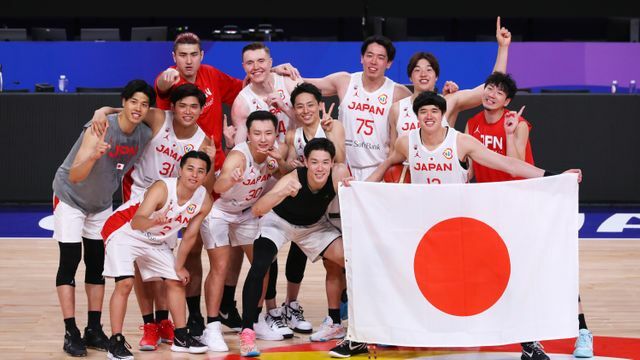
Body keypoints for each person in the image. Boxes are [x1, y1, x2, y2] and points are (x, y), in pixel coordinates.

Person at [155, 32, 299, 336]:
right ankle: (188, 317)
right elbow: (160, 92)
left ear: (201, 56)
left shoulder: (213, 77)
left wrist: (273, 71)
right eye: (183, 55)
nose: (189, 60)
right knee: (188, 249)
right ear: (174, 57)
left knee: (237, 253)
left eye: (194, 54)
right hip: (182, 173)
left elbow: (250, 81)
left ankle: (228, 310)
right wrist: (163, 86)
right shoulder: (168, 81)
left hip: (214, 170)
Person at [464, 72, 594, 359]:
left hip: (523, 205)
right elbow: (472, 168)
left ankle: (582, 330)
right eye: (489, 88)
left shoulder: (517, 123)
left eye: (499, 92)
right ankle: (527, 340)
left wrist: (510, 133)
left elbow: (516, 165)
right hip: (491, 209)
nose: (492, 94)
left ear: (507, 100)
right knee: (502, 273)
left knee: (550, 267)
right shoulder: (471, 124)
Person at [91, 83, 216, 350]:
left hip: (175, 198)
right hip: (142, 196)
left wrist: (213, 162)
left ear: (202, 110)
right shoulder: (160, 117)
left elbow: (206, 184)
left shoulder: (203, 142)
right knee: (135, 270)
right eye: (182, 105)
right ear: (173, 107)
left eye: (194, 106)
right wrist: (104, 110)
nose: (188, 111)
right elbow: (131, 110)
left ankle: (165, 323)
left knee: (166, 272)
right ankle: (149, 324)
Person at [51, 80, 155, 357]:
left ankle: (93, 329)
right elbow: (75, 175)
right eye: (133, 101)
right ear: (124, 101)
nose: (138, 108)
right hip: (70, 197)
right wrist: (94, 155)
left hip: (101, 204)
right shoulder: (101, 127)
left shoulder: (143, 133)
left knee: (97, 265)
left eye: (144, 104)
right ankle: (70, 331)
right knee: (70, 261)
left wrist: (103, 107)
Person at [237, 137, 360, 358]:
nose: (320, 168)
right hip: (279, 223)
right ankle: (247, 332)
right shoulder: (293, 179)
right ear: (305, 162)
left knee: (351, 260)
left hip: (313, 227)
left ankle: (339, 322)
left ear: (332, 163)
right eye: (314, 162)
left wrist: (350, 187)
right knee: (260, 266)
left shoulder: (338, 173)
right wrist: (281, 192)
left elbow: (354, 197)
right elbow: (257, 210)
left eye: (325, 162)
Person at [101, 151, 214, 360]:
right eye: (190, 169)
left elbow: (189, 236)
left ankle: (181, 336)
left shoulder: (204, 200)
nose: (194, 175)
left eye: (200, 171)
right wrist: (154, 221)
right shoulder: (163, 188)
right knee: (125, 283)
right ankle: (115, 341)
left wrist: (179, 266)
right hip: (123, 231)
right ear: (180, 170)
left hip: (155, 239)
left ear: (206, 175)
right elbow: (137, 221)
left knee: (175, 280)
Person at [199, 110, 289, 351]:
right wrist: (231, 180)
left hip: (247, 212)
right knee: (220, 267)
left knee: (263, 265)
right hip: (219, 211)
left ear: (275, 134)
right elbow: (218, 186)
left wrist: (280, 162)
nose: (263, 138)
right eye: (257, 133)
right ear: (248, 134)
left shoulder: (273, 153)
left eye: (268, 133)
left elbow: (285, 175)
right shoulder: (239, 156)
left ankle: (256, 319)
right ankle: (213, 326)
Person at [389, 16, 511, 152]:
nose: (423, 74)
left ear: (436, 77)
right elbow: (393, 152)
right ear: (410, 77)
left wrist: (503, 47)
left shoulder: (448, 101)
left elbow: (490, 87)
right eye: (417, 70)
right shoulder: (397, 109)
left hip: (442, 170)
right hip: (408, 172)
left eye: (429, 70)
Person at [228, 41, 300, 147]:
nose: (256, 67)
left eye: (261, 61)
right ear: (244, 66)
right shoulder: (241, 103)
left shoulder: (290, 82)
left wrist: (284, 108)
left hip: (297, 155)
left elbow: (311, 124)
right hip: (265, 160)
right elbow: (241, 150)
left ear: (270, 63)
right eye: (250, 63)